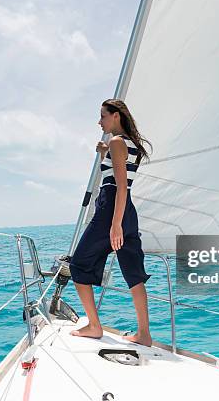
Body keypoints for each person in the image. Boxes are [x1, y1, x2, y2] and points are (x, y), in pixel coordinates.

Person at [69, 99, 153, 347]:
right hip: (128, 214)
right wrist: (104, 152)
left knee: (79, 265)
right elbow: (123, 176)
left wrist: (114, 224)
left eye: (103, 116)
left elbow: (119, 187)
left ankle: (94, 326)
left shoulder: (117, 142)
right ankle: (144, 334)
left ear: (116, 116)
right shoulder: (130, 144)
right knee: (134, 274)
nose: (99, 121)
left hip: (111, 211)